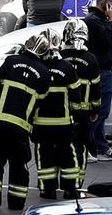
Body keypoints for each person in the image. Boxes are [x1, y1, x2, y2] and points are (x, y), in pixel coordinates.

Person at [0, 32, 50, 210]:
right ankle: (17, 202)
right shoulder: (44, 73)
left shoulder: (11, 61)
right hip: (21, 127)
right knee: (19, 165)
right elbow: (41, 100)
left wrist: (5, 101)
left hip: (0, 122)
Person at [33, 32, 81, 200]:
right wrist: (77, 117)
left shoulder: (37, 66)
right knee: (68, 156)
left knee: (44, 156)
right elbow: (76, 96)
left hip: (41, 124)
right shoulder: (67, 67)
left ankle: (48, 190)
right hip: (64, 124)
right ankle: (70, 190)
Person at [85, 0, 112, 161]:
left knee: (102, 111)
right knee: (100, 111)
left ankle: (101, 148)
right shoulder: (94, 20)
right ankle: (83, 145)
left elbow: (109, 46)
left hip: (109, 68)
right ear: (105, 3)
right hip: (103, 71)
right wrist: (111, 20)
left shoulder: (101, 20)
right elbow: (107, 40)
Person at [61, 20, 100, 182]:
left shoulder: (60, 58)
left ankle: (56, 183)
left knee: (62, 148)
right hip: (83, 115)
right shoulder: (91, 59)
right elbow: (96, 89)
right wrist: (95, 110)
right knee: (81, 148)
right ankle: (76, 182)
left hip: (61, 113)